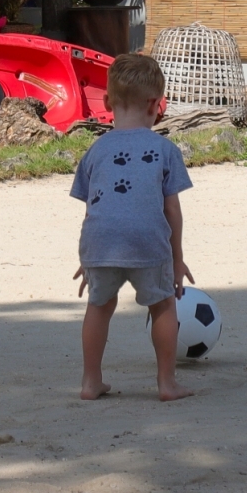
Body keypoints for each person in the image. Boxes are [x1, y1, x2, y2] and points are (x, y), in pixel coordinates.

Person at [69, 53, 196, 401]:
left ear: (107, 101)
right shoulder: (164, 149)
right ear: (157, 104)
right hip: (148, 243)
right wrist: (177, 258)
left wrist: (88, 256)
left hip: (100, 243)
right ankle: (167, 383)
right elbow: (172, 210)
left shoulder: (94, 151)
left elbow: (92, 207)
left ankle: (90, 382)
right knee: (163, 306)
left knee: (99, 307)